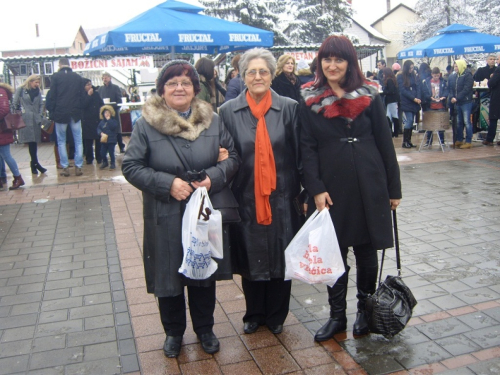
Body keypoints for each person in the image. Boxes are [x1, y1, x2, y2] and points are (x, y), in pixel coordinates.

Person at [122, 60, 239, 358]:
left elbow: (233, 157)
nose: (179, 88)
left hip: (202, 210)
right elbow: (131, 166)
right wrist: (167, 183)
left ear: (195, 89)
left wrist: (213, 178)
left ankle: (204, 328)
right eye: (172, 82)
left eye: (186, 83)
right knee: (168, 274)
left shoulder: (212, 119)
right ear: (162, 89)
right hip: (165, 212)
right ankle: (173, 332)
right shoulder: (146, 124)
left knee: (202, 270)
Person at [300, 35, 401, 341]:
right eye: (327, 59)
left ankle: (364, 313)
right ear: (320, 62)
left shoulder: (369, 94)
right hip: (332, 186)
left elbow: (385, 142)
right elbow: (307, 147)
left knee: (367, 251)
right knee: (334, 252)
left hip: (370, 182)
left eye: (339, 59)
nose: (332, 65)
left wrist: (393, 188)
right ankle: (336, 316)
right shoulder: (309, 98)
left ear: (350, 62)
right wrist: (315, 187)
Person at [219, 48, 302, 336]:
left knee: (281, 256)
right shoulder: (228, 111)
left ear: (272, 74)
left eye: (263, 71)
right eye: (251, 72)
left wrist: (305, 193)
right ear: (242, 77)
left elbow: (301, 154)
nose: (257, 76)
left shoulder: (289, 107)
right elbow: (225, 152)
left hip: (283, 196)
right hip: (246, 198)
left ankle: (277, 314)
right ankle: (254, 313)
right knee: (251, 256)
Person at [50, 57, 84, 177]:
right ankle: (78, 166)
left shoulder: (55, 77)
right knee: (78, 139)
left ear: (60, 65)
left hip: (60, 112)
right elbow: (82, 96)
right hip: (75, 113)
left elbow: (52, 96)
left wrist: (52, 111)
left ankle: (65, 167)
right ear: (69, 65)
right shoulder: (77, 77)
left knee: (61, 141)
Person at [12, 74, 46, 175]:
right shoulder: (21, 90)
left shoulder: (38, 92)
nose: (37, 84)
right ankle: (35, 164)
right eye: (36, 82)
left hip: (35, 120)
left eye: (38, 83)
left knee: (34, 142)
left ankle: (34, 164)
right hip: (25, 119)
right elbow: (15, 103)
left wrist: (40, 115)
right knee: (30, 142)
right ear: (30, 82)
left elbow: (41, 104)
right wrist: (19, 113)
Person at [0, 82, 25, 190]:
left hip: (2, 129)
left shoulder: (1, 92)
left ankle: (18, 177)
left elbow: (4, 109)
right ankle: (2, 177)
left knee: (6, 154)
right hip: (1, 129)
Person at [98, 72, 126, 153]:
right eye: (103, 78)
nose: (105, 79)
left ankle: (121, 146)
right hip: (104, 112)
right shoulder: (100, 89)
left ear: (110, 78)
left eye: (106, 77)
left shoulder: (115, 87)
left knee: (117, 129)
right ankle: (106, 148)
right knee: (105, 129)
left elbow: (119, 100)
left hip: (113, 112)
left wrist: (113, 108)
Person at [421, 67, 449, 146]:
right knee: (430, 125)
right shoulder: (426, 82)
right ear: (432, 75)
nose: (436, 77)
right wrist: (430, 97)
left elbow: (446, 90)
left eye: (437, 76)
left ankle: (442, 141)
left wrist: (444, 96)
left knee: (441, 124)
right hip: (430, 105)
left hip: (440, 105)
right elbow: (425, 92)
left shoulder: (443, 81)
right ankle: (429, 141)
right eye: (435, 76)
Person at [450, 59, 474, 149]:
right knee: (459, 122)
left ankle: (468, 141)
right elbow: (452, 88)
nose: (455, 68)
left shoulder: (467, 75)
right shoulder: (455, 76)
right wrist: (452, 96)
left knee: (467, 121)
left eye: (456, 66)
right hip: (458, 102)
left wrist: (457, 97)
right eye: (454, 66)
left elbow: (466, 89)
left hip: (466, 102)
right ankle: (459, 139)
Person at [397, 60, 421, 148]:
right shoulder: (400, 76)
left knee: (411, 121)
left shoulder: (414, 76)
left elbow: (418, 86)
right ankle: (405, 141)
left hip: (414, 101)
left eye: (412, 68)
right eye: (410, 68)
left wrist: (418, 97)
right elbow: (403, 90)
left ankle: (409, 140)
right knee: (409, 120)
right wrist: (413, 98)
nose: (411, 69)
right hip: (407, 101)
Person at [82, 79, 104, 165]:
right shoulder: (82, 95)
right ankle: (89, 158)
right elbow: (83, 105)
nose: (89, 86)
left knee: (98, 139)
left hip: (96, 119)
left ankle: (99, 157)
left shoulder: (96, 93)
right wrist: (88, 96)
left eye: (90, 84)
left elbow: (101, 104)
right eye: (87, 85)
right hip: (87, 120)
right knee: (88, 141)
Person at [483, 54, 500, 146]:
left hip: (497, 97)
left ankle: (489, 139)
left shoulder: (498, 69)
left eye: (497, 59)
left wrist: (491, 78)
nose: (496, 61)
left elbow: (492, 83)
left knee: (493, 118)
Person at [97, 105, 118, 170]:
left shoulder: (113, 121)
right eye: (105, 113)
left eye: (108, 113)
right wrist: (100, 133)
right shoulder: (102, 122)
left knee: (111, 152)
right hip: (104, 140)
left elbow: (113, 127)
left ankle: (112, 163)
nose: (107, 114)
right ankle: (105, 162)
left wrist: (109, 120)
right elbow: (98, 128)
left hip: (111, 140)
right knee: (102, 152)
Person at [381, 68, 400, 137]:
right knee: (391, 115)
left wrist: (383, 92)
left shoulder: (389, 80)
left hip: (391, 100)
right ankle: (394, 132)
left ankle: (393, 132)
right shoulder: (393, 80)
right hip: (393, 100)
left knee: (391, 116)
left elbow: (390, 91)